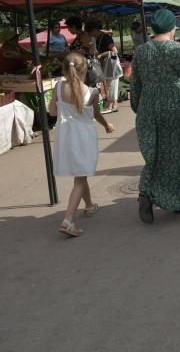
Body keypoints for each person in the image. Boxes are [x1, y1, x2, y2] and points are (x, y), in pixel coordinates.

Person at [131, 8, 180, 223]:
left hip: (149, 106)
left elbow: (135, 86)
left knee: (154, 154)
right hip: (178, 107)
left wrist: (140, 108)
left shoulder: (141, 52)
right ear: (173, 28)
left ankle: (145, 191)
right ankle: (177, 199)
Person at [49, 52, 114, 237]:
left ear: (64, 69)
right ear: (85, 69)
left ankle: (89, 205)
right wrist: (107, 125)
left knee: (80, 173)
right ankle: (68, 219)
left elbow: (52, 112)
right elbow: (96, 115)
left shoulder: (59, 87)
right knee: (80, 176)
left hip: (65, 136)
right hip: (84, 136)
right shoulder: (92, 92)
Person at [85, 18, 120, 114]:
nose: (90, 34)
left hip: (111, 63)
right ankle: (113, 104)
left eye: (90, 32)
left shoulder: (106, 37)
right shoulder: (98, 38)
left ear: (95, 29)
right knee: (111, 83)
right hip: (107, 64)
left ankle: (110, 104)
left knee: (111, 84)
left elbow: (114, 51)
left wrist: (101, 55)